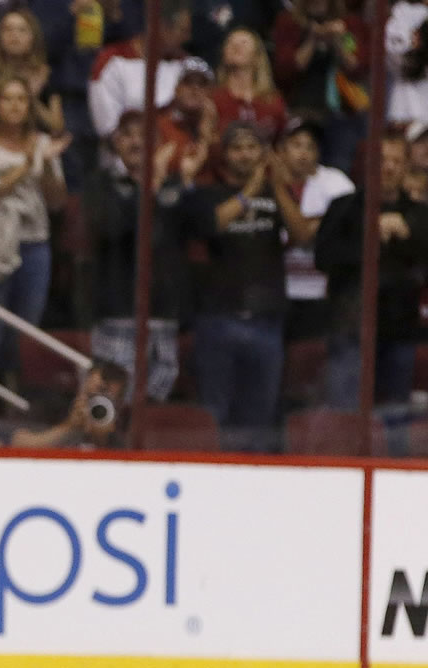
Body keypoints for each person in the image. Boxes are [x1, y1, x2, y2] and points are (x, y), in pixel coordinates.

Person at [182, 120, 311, 450]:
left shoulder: (275, 194)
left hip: (266, 319)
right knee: (216, 413)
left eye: (252, 147)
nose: (245, 155)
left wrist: (278, 188)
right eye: (237, 148)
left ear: (264, 153)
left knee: (260, 416)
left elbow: (302, 235)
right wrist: (251, 191)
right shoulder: (209, 194)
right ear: (225, 155)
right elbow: (211, 225)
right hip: (218, 317)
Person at [0, 73, 68, 445]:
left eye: (22, 100)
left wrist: (50, 166)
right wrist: (27, 163)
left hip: (34, 244)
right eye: (7, 99)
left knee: (23, 337)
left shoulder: (41, 143)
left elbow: (56, 201)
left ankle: (12, 421)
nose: (15, 106)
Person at [316, 135, 428, 409]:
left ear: (405, 167)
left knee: (395, 417)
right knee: (346, 411)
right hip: (352, 325)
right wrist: (371, 235)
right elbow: (324, 258)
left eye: (396, 161)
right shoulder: (344, 207)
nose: (388, 168)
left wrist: (407, 232)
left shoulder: (419, 213)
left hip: (399, 326)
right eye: (382, 161)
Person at [85, 110, 187, 405]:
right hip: (117, 312)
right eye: (127, 135)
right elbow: (110, 227)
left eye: (144, 135)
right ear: (115, 141)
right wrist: (148, 187)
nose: (135, 142)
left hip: (162, 314)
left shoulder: (172, 186)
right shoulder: (100, 184)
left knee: (152, 407)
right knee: (110, 404)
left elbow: (188, 231)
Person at [277, 115, 354, 357]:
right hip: (276, 294)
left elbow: (337, 228)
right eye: (297, 145)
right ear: (281, 149)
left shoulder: (335, 182)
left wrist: (310, 227)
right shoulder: (263, 181)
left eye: (311, 146)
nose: (304, 153)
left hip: (320, 294)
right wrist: (319, 222)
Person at [272, 0, 370, 172]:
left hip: (341, 114)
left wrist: (338, 40)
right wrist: (312, 38)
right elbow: (285, 70)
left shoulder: (350, 23)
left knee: (340, 167)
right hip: (301, 110)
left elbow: (357, 68)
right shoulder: (289, 22)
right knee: (297, 169)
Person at [87, 0, 191, 139]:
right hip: (124, 156)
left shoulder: (184, 64)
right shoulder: (112, 61)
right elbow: (107, 128)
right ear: (161, 26)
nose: (187, 38)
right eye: (183, 30)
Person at [0, 7, 64, 136]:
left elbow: (57, 128)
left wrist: (32, 98)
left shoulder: (43, 77)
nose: (14, 35)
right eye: (8, 29)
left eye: (22, 30)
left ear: (33, 38)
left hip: (36, 148)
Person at [9, 359, 129, 448]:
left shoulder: (119, 433)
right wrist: (69, 426)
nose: (98, 403)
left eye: (107, 399)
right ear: (84, 383)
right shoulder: (52, 407)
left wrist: (101, 439)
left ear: (117, 405)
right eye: (93, 394)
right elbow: (18, 444)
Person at [211, 27, 287, 148]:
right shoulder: (213, 99)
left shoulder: (273, 102)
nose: (236, 46)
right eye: (231, 42)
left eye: (244, 43)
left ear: (257, 56)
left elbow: (281, 144)